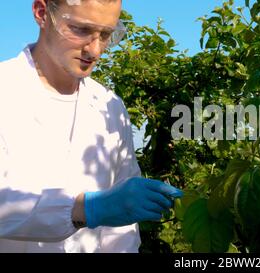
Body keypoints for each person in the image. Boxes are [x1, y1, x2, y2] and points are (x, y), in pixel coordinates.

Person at [0, 0, 183, 252]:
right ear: (42, 13)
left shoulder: (109, 106)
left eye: (106, 34)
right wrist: (85, 209)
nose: (95, 51)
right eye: (81, 30)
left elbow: (121, 229)